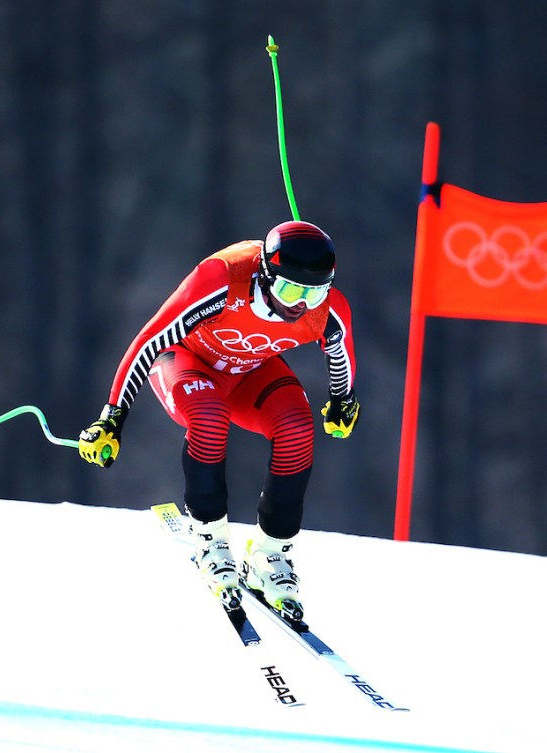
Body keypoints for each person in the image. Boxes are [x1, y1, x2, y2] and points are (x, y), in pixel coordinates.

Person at [78, 220, 359, 621]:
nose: (300, 304)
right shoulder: (223, 279)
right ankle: (209, 538)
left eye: (313, 293)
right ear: (265, 275)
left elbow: (341, 354)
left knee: (297, 427)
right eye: (290, 289)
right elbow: (149, 340)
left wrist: (342, 402)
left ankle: (270, 555)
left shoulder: (324, 309)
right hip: (185, 361)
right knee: (210, 418)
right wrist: (113, 417)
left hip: (247, 370)